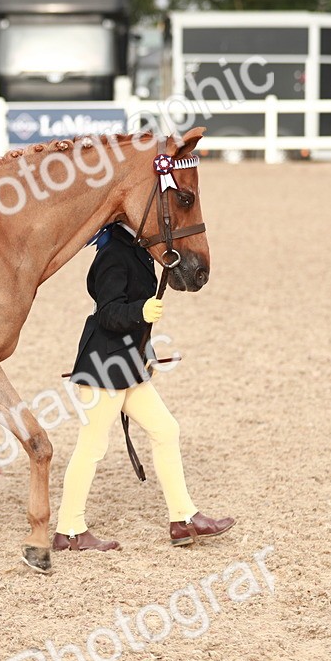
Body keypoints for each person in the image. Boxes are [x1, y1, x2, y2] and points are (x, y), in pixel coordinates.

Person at [53, 221, 234, 551]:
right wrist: (141, 310)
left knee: (166, 429)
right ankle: (69, 529)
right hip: (104, 367)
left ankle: (183, 519)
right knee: (92, 446)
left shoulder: (138, 251)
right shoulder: (113, 256)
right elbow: (107, 312)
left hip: (128, 366)